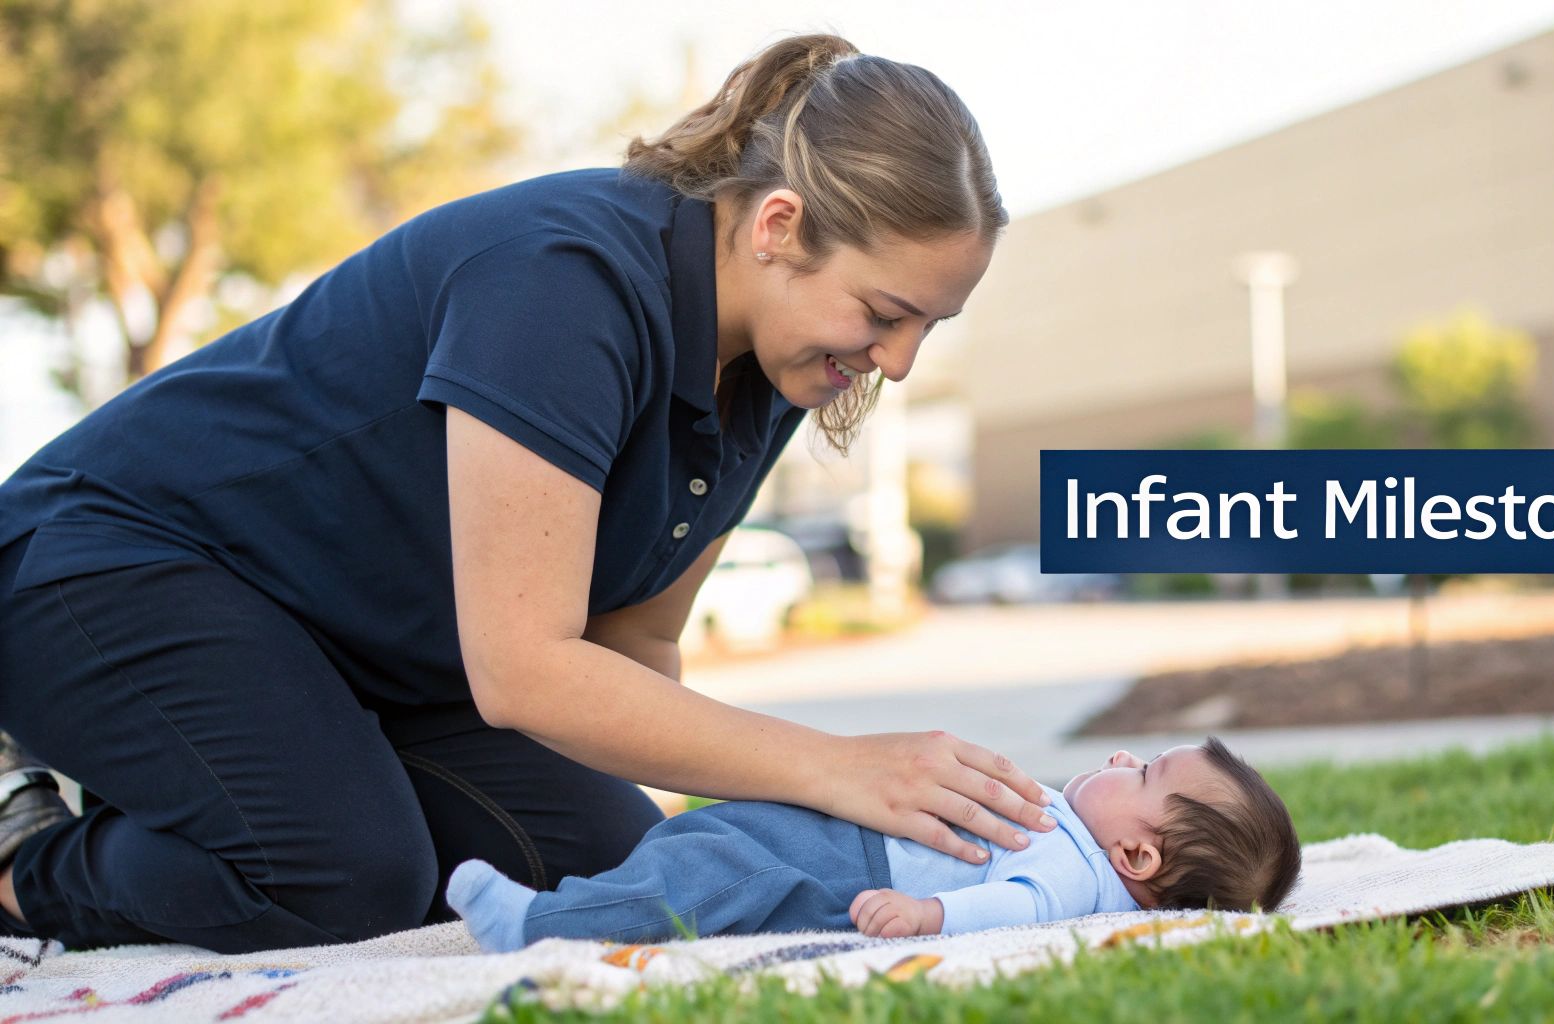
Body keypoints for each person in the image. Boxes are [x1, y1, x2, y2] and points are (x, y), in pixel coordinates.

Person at [0, 33, 1057, 954]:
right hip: (104, 566)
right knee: (338, 873)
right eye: (885, 312)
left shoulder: (775, 369)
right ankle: (21, 854)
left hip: (352, 653)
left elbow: (632, 646)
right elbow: (524, 672)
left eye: (928, 325)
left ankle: (231, 783)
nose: (900, 362)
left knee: (612, 868)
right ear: (777, 225)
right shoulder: (565, 282)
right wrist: (834, 768)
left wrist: (747, 833)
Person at [446, 737, 1302, 949]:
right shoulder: (1085, 837)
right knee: (706, 841)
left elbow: (1023, 903)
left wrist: (930, 912)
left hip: (857, 867)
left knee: (714, 872)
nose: (1121, 756)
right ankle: (596, 903)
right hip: (851, 838)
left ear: (1138, 859)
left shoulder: (1074, 875)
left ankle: (543, 927)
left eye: (1144, 771)